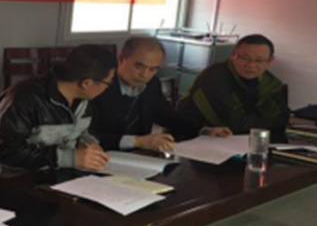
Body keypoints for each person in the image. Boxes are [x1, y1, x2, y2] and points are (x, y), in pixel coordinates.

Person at [0, 44, 117, 179]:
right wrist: (70, 158)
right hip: (13, 178)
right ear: (86, 83)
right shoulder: (25, 98)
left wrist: (88, 144)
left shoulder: (86, 98)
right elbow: (6, 151)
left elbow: (85, 131)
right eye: (108, 83)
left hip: (56, 173)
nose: (107, 89)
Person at [91, 37, 231, 153]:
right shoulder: (98, 86)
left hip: (138, 156)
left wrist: (203, 130)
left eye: (153, 69)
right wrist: (137, 141)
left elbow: (167, 115)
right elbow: (89, 135)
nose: (144, 75)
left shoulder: (152, 84)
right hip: (99, 156)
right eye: (139, 66)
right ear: (121, 59)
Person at [177, 34, 289, 134]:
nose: (251, 65)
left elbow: (283, 119)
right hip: (194, 136)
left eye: (259, 60)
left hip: (241, 141)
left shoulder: (269, 81)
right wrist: (266, 120)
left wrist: (251, 120)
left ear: (270, 61)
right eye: (245, 58)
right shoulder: (214, 76)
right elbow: (233, 124)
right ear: (233, 56)